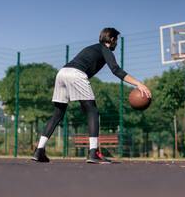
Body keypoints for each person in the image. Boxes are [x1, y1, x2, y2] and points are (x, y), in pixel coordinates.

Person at [31, 27, 152, 164]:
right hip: (76, 74)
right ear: (112, 39)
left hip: (62, 73)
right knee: (93, 112)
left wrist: (83, 102)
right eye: (116, 40)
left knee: (57, 115)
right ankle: (93, 152)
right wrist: (138, 84)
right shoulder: (104, 49)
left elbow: (75, 71)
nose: (116, 44)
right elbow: (116, 70)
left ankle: (39, 150)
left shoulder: (91, 48)